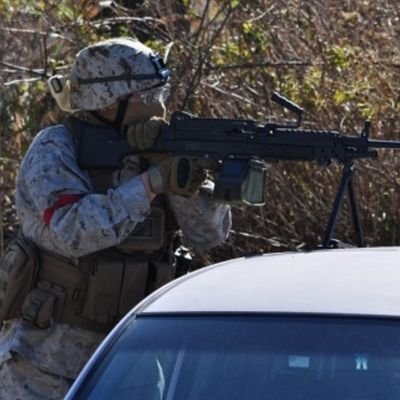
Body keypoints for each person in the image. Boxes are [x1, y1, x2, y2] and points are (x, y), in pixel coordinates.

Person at [0, 37, 231, 399]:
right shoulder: (56, 148)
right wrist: (151, 183)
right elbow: (73, 230)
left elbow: (210, 235)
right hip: (46, 365)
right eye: (148, 94)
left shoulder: (161, 147)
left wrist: (183, 180)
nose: (160, 103)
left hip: (133, 362)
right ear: (108, 102)